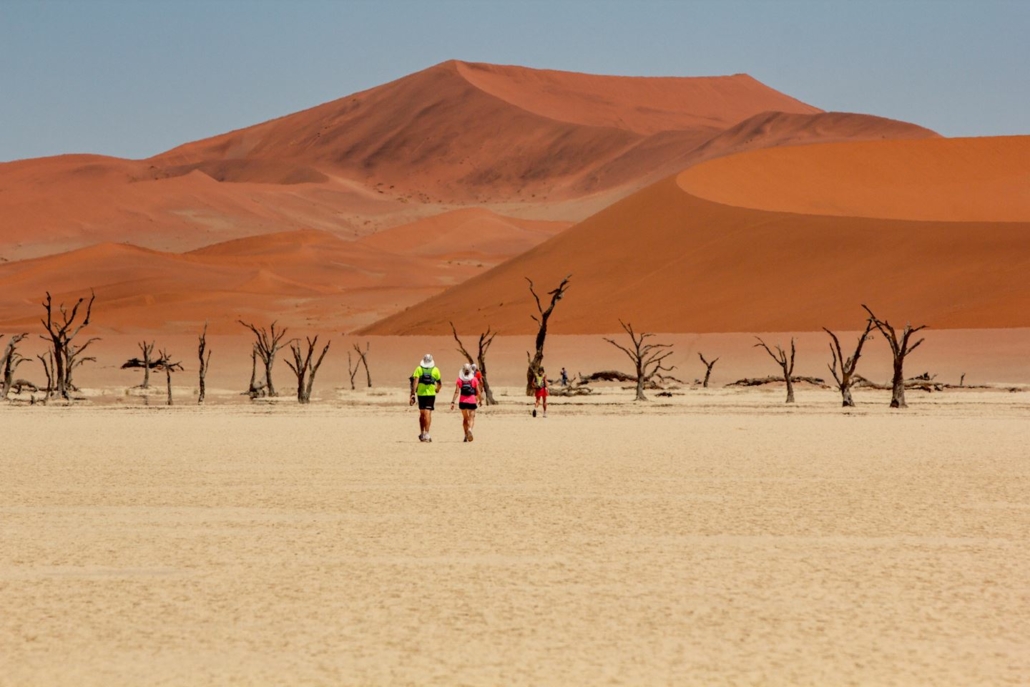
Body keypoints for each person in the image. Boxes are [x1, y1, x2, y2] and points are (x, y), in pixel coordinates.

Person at [409, 353, 442, 442]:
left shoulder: (418, 369)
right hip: (431, 394)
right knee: (427, 413)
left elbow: (415, 382)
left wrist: (412, 394)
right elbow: (439, 383)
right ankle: (426, 433)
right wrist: (437, 390)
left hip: (420, 394)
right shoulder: (436, 370)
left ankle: (423, 433)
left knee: (422, 414)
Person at [450, 363, 482, 442]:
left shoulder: (459, 380)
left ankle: (465, 435)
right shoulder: (474, 379)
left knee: (465, 418)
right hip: (472, 401)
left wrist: (453, 402)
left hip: (462, 402)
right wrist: (480, 400)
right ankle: (470, 430)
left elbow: (457, 392)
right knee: (471, 417)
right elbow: (478, 392)